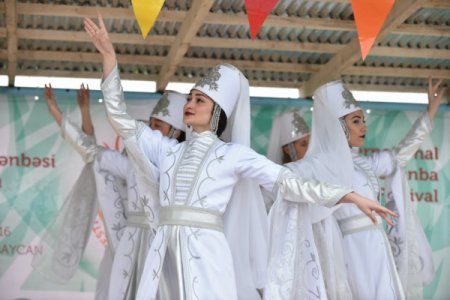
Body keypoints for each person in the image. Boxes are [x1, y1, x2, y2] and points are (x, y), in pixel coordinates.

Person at [84, 12, 396, 300]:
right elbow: (121, 119)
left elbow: (290, 182)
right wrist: (110, 59)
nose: (190, 103)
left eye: (200, 100)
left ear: (217, 111)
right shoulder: (166, 150)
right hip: (161, 251)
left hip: (206, 253)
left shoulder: (233, 155)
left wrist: (350, 195)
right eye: (190, 98)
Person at [272, 79, 442, 299]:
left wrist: (430, 113)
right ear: (338, 126)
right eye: (356, 121)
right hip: (351, 250)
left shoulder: (362, 164)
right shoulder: (318, 165)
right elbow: (283, 178)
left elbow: (399, 156)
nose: (364, 127)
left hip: (378, 244)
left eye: (363, 120)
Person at [33, 83, 186, 300]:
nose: (150, 129)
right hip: (124, 244)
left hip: (165, 250)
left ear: (176, 131)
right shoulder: (133, 165)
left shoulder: (186, 168)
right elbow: (92, 151)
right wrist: (56, 112)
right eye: (149, 123)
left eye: (158, 125)